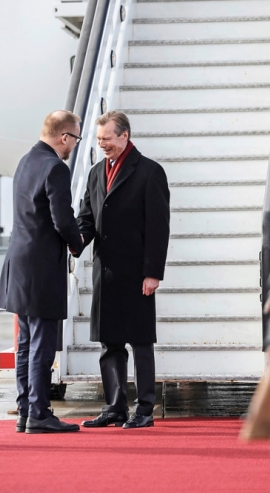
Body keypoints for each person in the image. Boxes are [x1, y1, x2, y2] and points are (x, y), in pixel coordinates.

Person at [77, 111, 170, 429]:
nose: (102, 144)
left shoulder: (149, 172)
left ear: (124, 136)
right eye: (99, 139)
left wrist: (153, 272)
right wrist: (75, 242)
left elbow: (158, 228)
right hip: (106, 270)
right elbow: (87, 216)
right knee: (109, 342)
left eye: (107, 139)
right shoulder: (95, 172)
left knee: (141, 341)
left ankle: (144, 409)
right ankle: (114, 406)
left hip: (136, 271)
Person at [0, 110, 84, 434]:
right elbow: (62, 218)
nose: (74, 145)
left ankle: (24, 410)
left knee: (25, 342)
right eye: (74, 138)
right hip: (42, 266)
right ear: (64, 137)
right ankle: (39, 412)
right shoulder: (55, 168)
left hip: (18, 263)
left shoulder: (25, 161)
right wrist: (77, 244)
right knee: (42, 344)